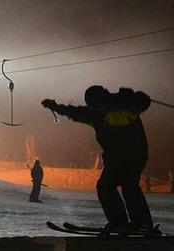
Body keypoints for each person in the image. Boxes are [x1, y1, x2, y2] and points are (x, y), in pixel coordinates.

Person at [41, 85, 155, 232]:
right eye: (92, 105)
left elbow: (144, 101)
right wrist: (55, 107)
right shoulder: (95, 114)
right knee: (116, 186)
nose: (96, 107)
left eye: (96, 103)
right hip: (123, 156)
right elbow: (74, 112)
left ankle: (132, 223)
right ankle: (131, 223)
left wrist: (130, 95)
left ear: (104, 98)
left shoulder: (125, 104)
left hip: (132, 155)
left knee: (117, 185)